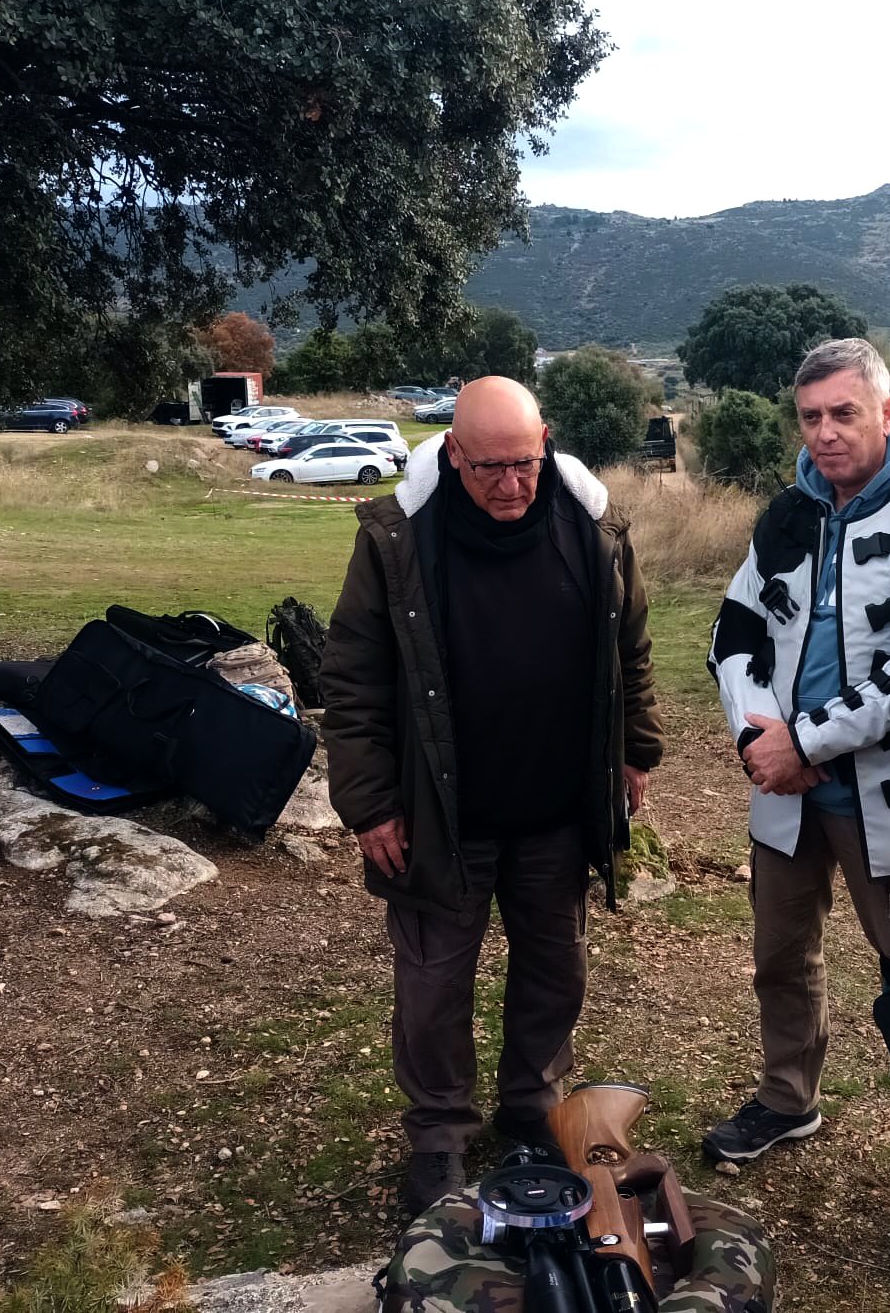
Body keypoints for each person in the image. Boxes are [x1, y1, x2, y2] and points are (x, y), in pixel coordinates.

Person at [318, 376, 663, 1214]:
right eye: (488, 469)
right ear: (452, 453)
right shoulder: (400, 539)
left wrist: (636, 750)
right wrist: (370, 803)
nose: (510, 485)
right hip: (440, 814)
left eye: (524, 464)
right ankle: (439, 1134)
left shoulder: (593, 528)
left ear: (545, 442)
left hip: (556, 811)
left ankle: (531, 1105)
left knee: (554, 969)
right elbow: (354, 677)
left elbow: (631, 648)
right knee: (433, 985)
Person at [704, 337, 890, 1280]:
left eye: (844, 413)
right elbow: (735, 630)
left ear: (888, 410)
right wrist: (757, 736)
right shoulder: (789, 513)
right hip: (788, 794)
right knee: (780, 959)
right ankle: (788, 1098)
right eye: (810, 417)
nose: (826, 433)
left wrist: (808, 741)